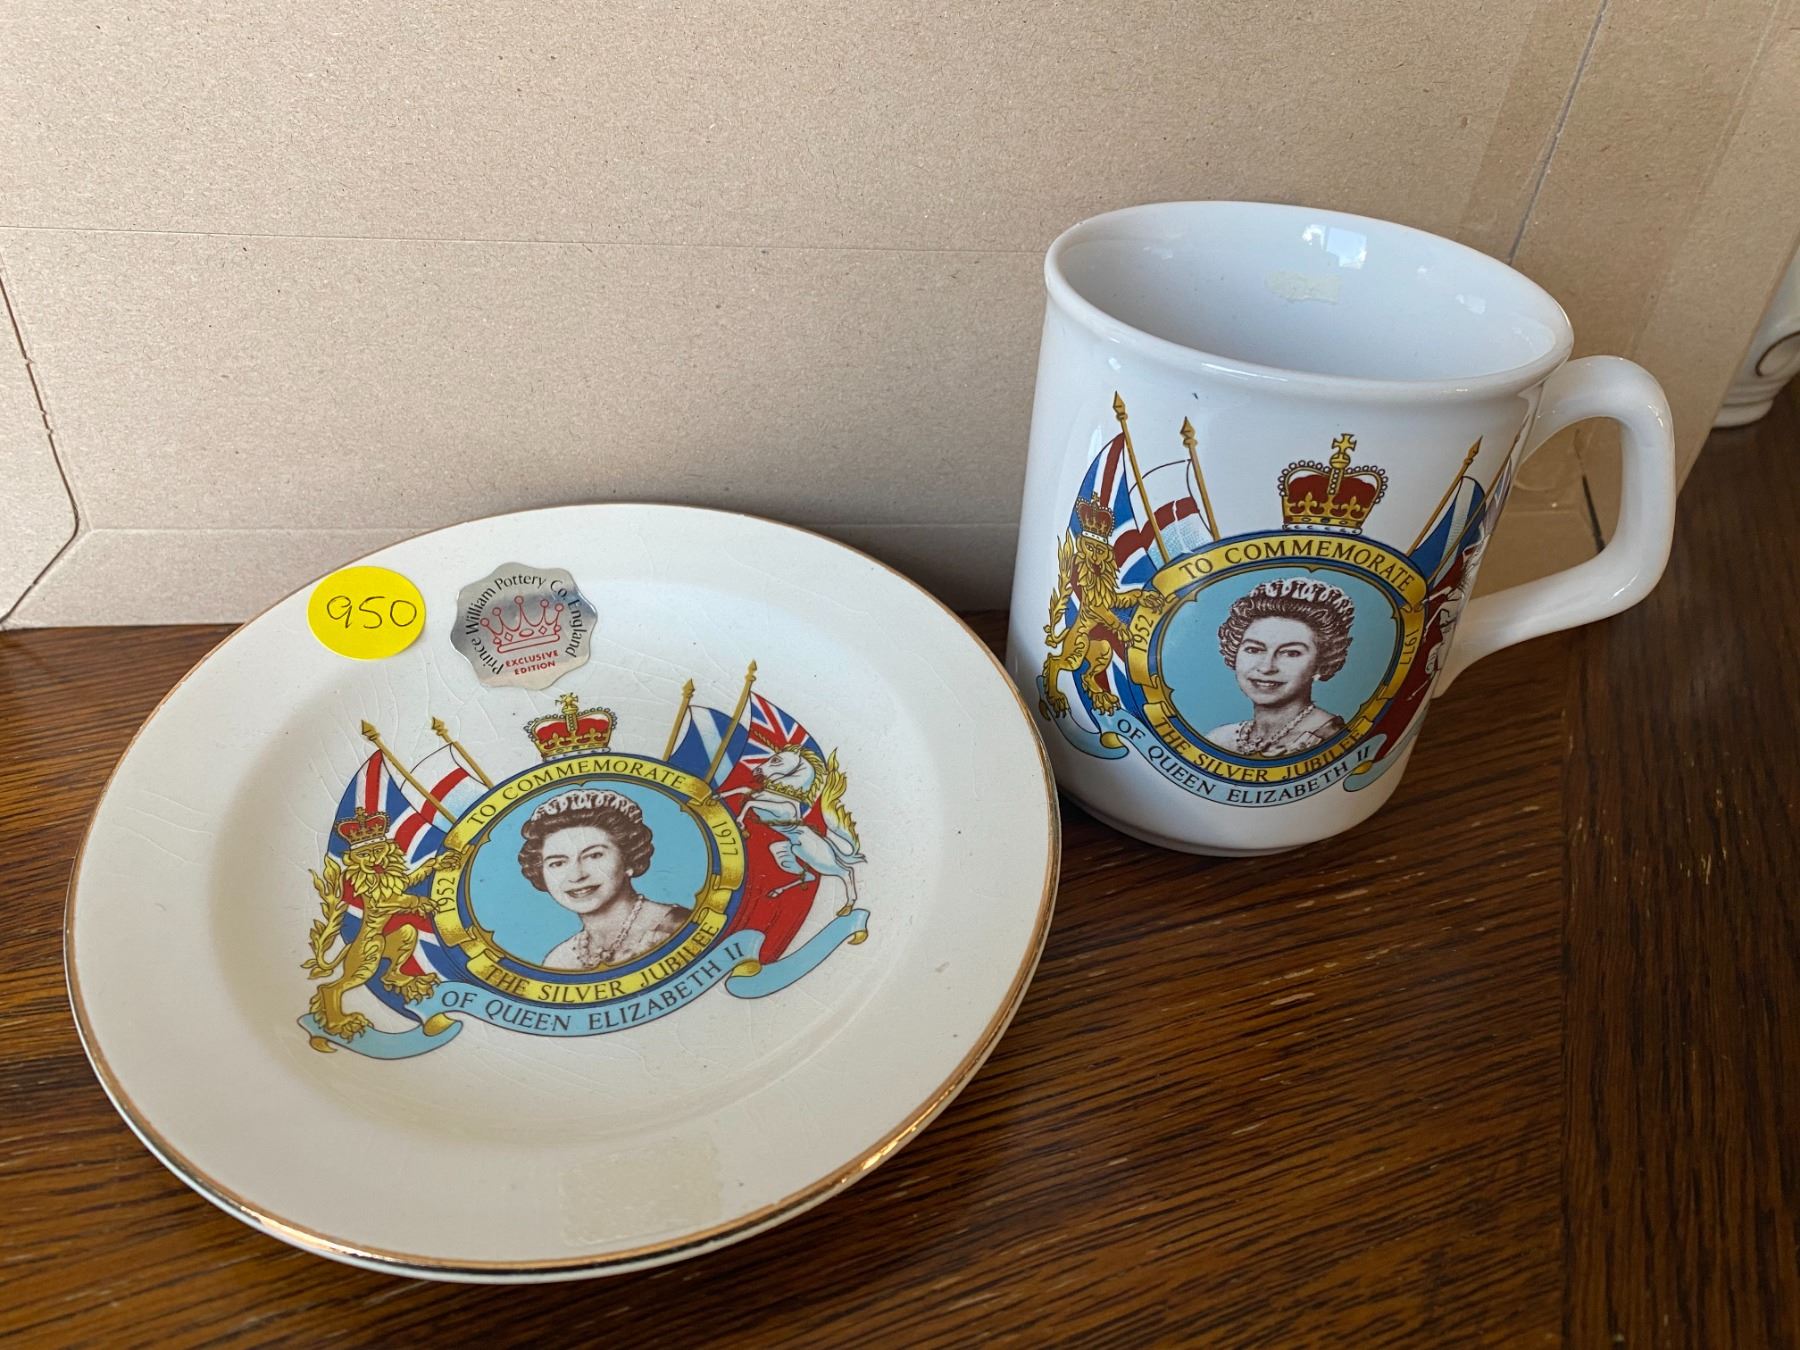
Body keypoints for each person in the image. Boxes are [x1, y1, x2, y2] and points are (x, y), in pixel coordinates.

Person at [516, 789, 687, 970]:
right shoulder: (560, 959)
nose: (576, 875)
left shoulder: (677, 928)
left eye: (594, 855)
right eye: (557, 863)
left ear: (629, 858)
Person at [1205, 578, 1355, 758]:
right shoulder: (1221, 738)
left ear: (1321, 663)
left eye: (1291, 653)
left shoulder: (1329, 738)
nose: (1267, 667)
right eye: (1254, 649)